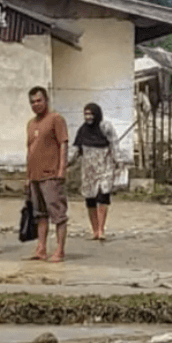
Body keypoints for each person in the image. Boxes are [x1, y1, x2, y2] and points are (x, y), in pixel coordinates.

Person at [25, 86, 69, 262]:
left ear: (46, 101)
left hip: (51, 174)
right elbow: (29, 150)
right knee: (39, 215)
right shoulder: (31, 124)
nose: (36, 104)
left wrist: (61, 170)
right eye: (32, 102)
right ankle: (41, 248)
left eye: (39, 100)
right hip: (35, 175)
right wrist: (27, 176)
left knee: (57, 214)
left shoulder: (55, 119)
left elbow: (63, 144)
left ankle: (59, 250)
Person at [72, 102, 118, 241]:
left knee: (102, 197)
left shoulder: (105, 127)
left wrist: (118, 161)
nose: (88, 117)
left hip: (104, 167)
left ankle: (101, 229)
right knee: (90, 199)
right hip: (88, 171)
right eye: (86, 114)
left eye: (91, 114)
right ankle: (95, 231)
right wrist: (64, 164)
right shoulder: (82, 130)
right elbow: (76, 150)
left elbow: (114, 144)